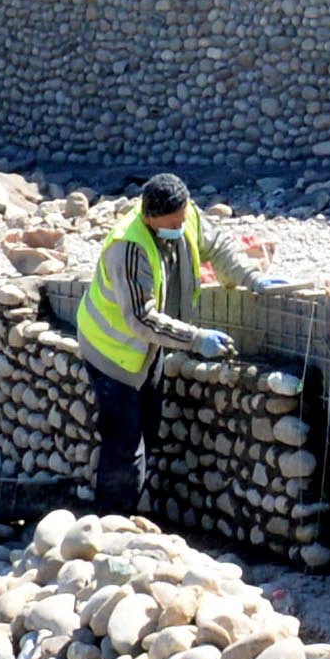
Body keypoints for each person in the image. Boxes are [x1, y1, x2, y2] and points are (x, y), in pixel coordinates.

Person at [70, 174, 263, 516]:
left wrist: (252, 279)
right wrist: (195, 338)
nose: (180, 226)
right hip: (110, 350)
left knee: (148, 431)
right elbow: (141, 319)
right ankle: (111, 523)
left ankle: (124, 514)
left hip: (146, 349)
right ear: (149, 217)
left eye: (182, 218)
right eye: (171, 224)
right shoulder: (128, 247)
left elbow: (217, 248)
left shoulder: (186, 215)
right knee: (125, 442)